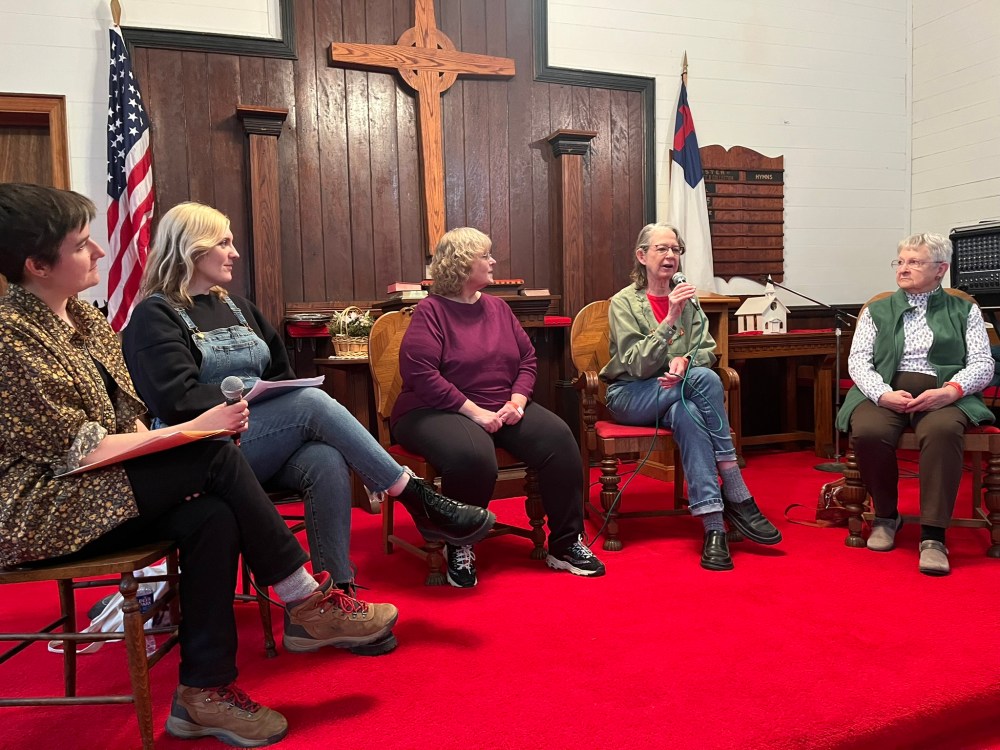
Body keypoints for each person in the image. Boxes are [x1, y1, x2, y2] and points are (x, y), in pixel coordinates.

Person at [0, 183, 400, 747]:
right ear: (38, 265)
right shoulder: (11, 339)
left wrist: (177, 439)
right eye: (83, 246)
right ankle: (304, 598)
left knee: (213, 514)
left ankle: (202, 694)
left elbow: (132, 420)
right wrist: (191, 435)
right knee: (210, 448)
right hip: (44, 509)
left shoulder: (87, 324)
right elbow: (82, 450)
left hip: (101, 486)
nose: (99, 254)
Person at [122, 202, 497, 618]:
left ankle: (336, 595)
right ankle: (412, 494)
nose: (234, 253)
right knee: (309, 404)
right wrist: (257, 400)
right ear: (192, 248)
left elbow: (280, 372)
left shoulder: (238, 307)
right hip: (203, 450)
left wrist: (269, 398)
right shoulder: (154, 316)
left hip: (260, 437)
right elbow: (174, 402)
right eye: (224, 243)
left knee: (325, 458)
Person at [391, 227, 606, 587]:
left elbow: (527, 359)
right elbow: (421, 375)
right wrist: (475, 413)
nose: (493, 262)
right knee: (473, 455)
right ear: (462, 264)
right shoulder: (431, 312)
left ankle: (566, 543)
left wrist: (518, 400)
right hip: (434, 409)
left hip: (502, 406)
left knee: (559, 439)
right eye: (485, 256)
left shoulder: (498, 308)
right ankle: (459, 544)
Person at [600, 222, 782, 571]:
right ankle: (734, 482)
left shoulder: (690, 299)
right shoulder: (623, 303)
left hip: (679, 393)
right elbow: (636, 366)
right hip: (632, 395)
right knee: (702, 380)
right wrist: (669, 319)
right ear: (642, 256)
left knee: (691, 413)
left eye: (676, 250)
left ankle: (714, 525)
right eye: (662, 249)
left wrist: (685, 362)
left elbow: (707, 351)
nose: (670, 256)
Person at [836, 232, 994, 576]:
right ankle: (885, 516)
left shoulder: (964, 309)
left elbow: (983, 362)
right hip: (885, 389)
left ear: (941, 269)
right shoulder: (876, 309)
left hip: (944, 394)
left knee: (942, 433)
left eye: (915, 262)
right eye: (901, 261)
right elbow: (859, 360)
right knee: (868, 431)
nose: (904, 269)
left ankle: (934, 536)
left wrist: (952, 391)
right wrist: (881, 393)